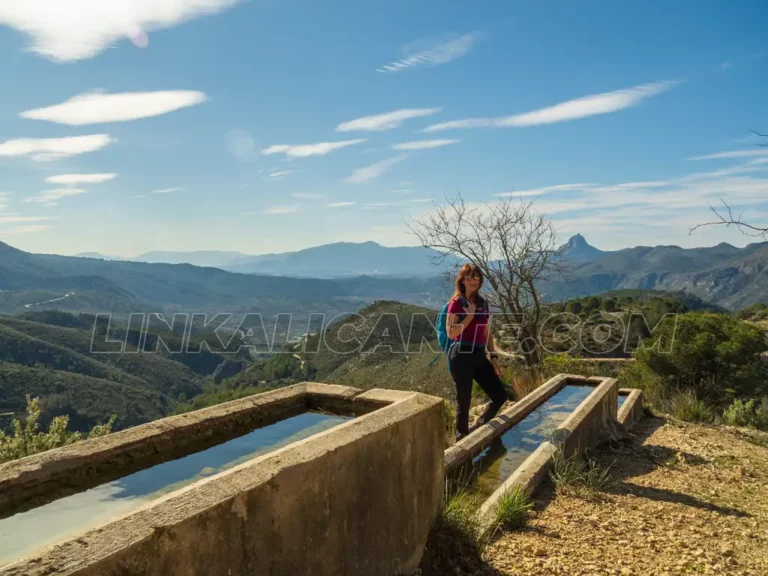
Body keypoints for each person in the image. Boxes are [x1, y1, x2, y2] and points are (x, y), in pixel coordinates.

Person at [445, 263, 508, 441]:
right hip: (461, 354)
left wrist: (494, 357)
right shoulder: (456, 303)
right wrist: (469, 317)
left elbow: (487, 332)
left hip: (479, 355)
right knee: (464, 400)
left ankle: (475, 430)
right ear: (462, 280)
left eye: (477, 277)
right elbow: (451, 332)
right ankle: (461, 440)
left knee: (499, 395)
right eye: (469, 277)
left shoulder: (483, 304)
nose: (473, 281)